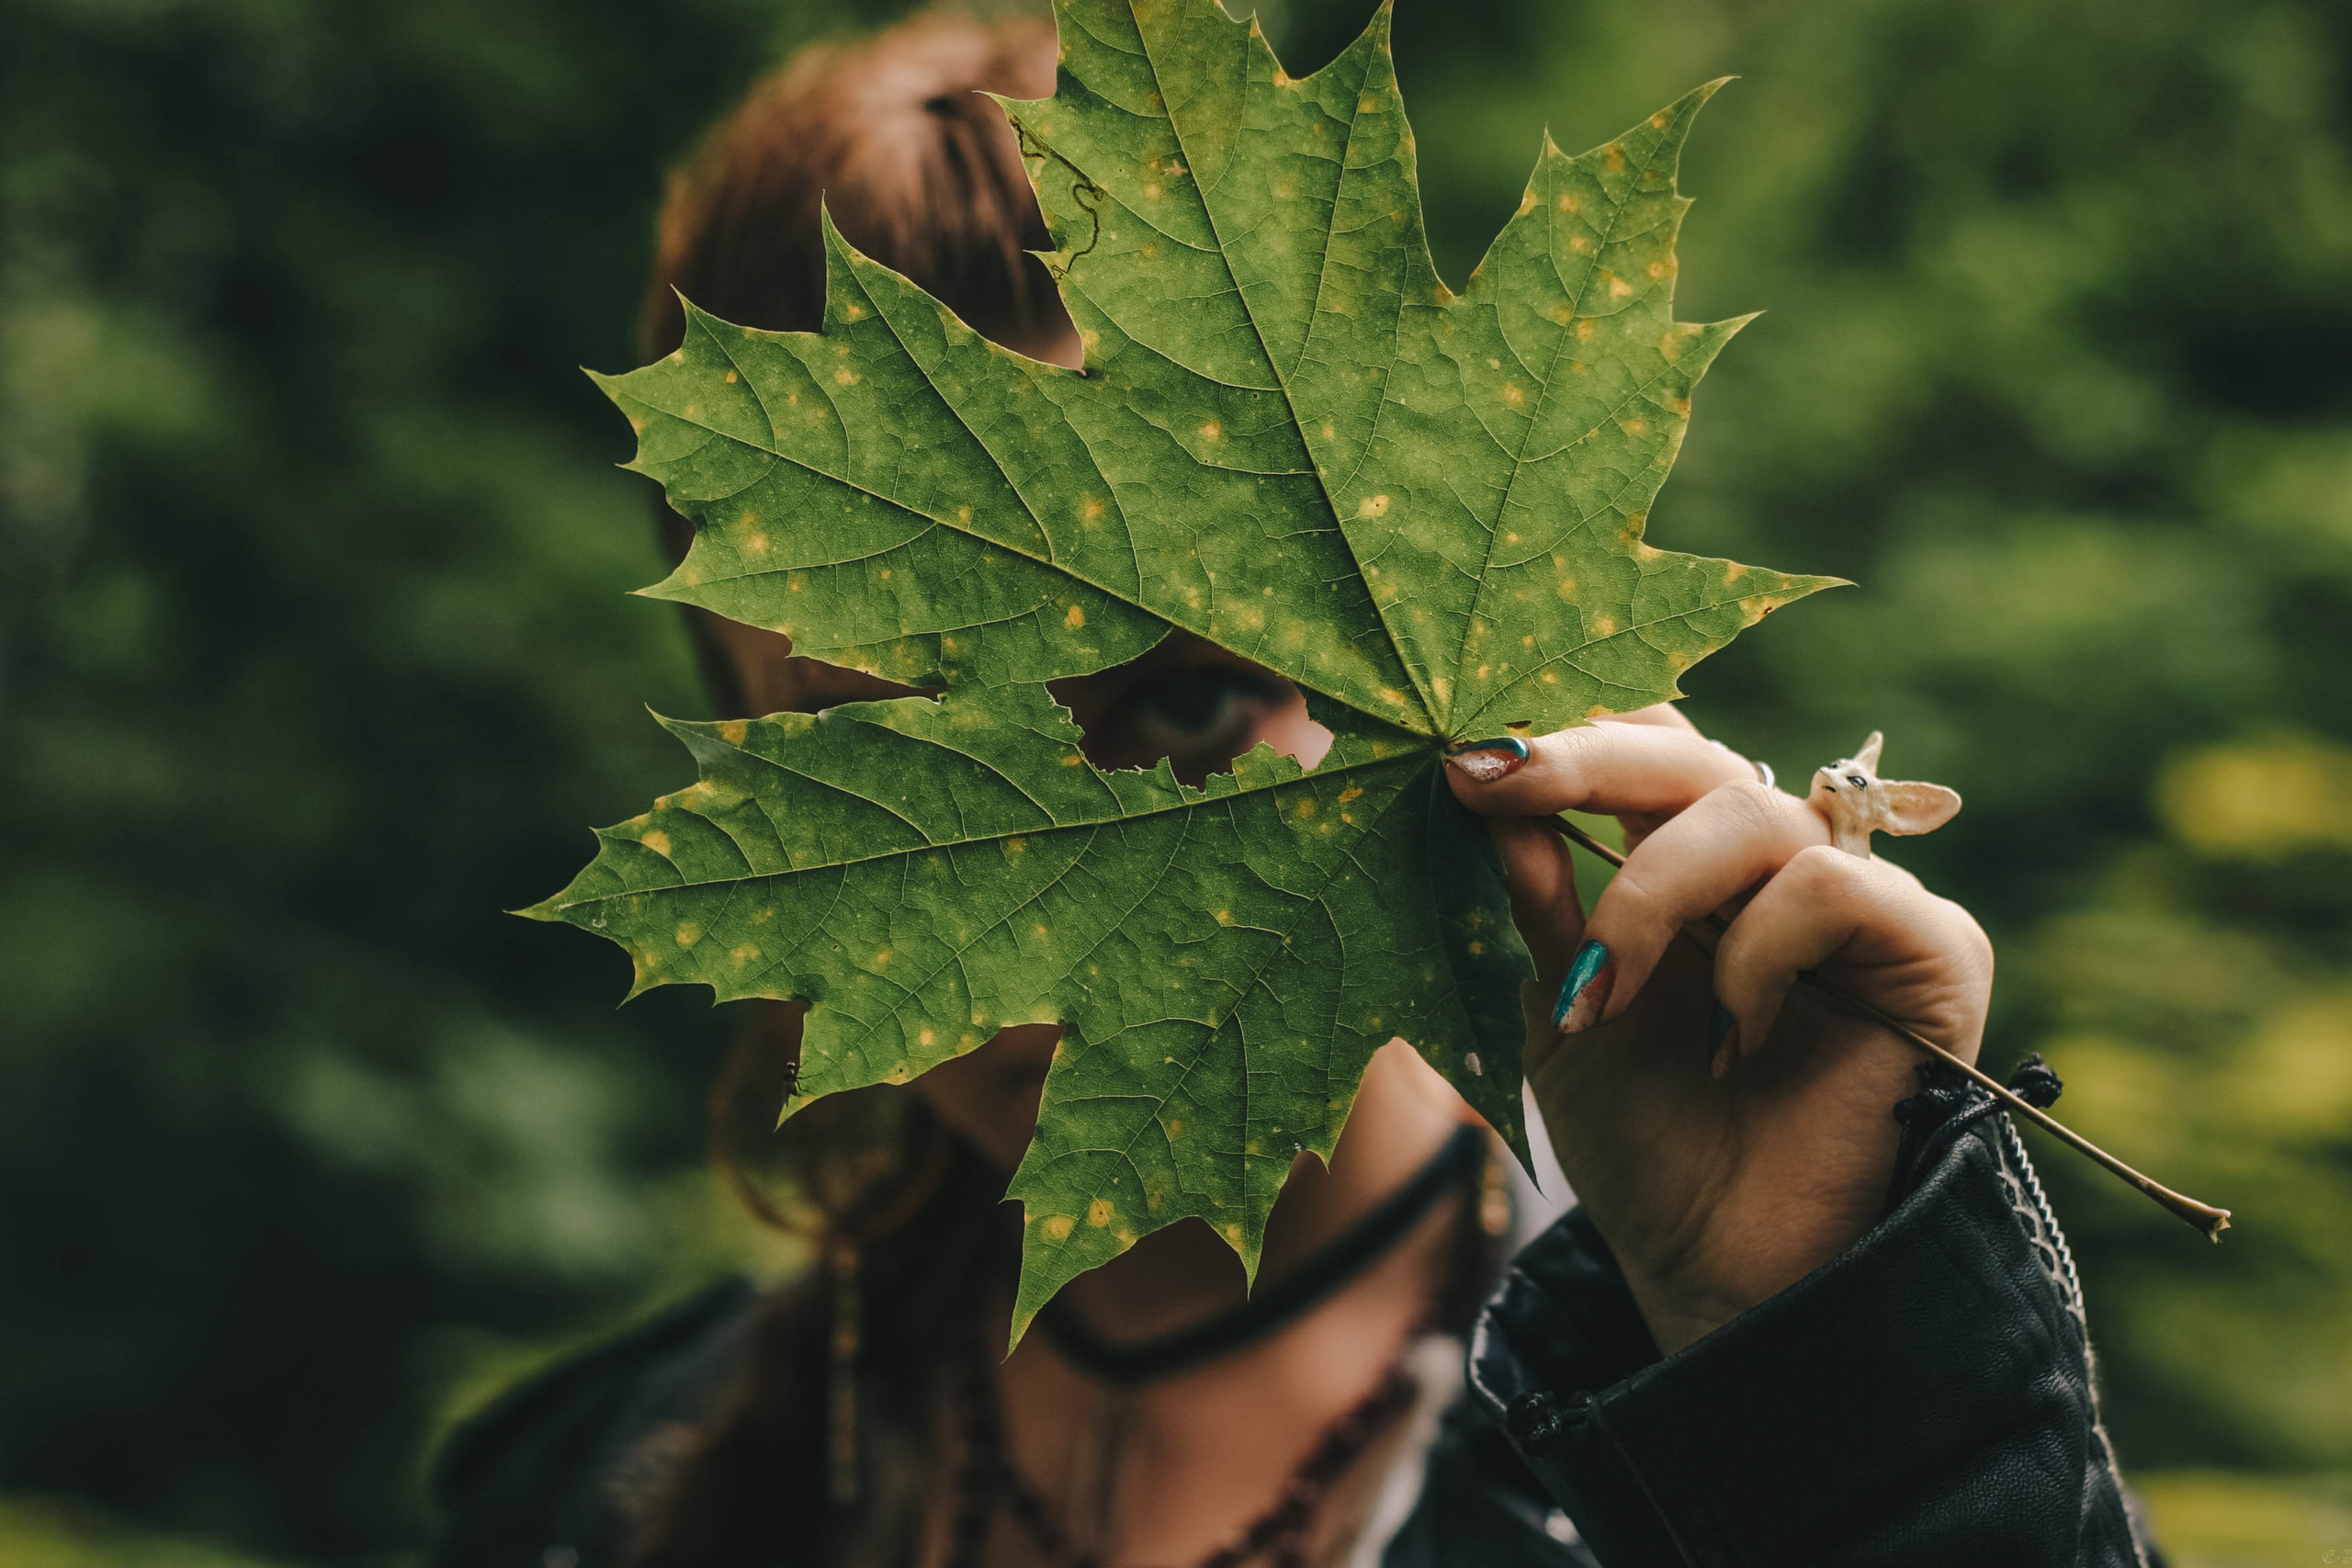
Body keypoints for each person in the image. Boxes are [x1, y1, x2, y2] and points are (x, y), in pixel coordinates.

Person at [432, 13, 2166, 1566]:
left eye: (1183, 701)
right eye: (885, 760)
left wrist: (1827, 1384)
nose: (1039, 949)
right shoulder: (594, 1502)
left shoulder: (1695, 1428)